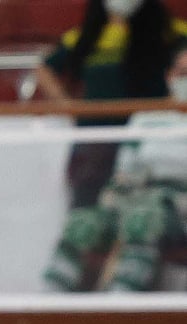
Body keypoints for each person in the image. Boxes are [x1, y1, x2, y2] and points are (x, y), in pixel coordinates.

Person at [43, 48, 187, 290]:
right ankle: (46, 309)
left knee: (142, 219)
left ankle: (119, 304)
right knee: (82, 223)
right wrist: (116, 197)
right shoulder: (147, 118)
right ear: (170, 76)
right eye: (182, 72)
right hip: (133, 197)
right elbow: (123, 171)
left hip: (178, 209)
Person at [34, 0, 187, 209]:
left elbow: (182, 65)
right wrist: (66, 104)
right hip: (96, 138)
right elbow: (44, 69)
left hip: (148, 136)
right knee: (88, 207)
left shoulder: (169, 31)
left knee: (144, 208)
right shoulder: (85, 36)